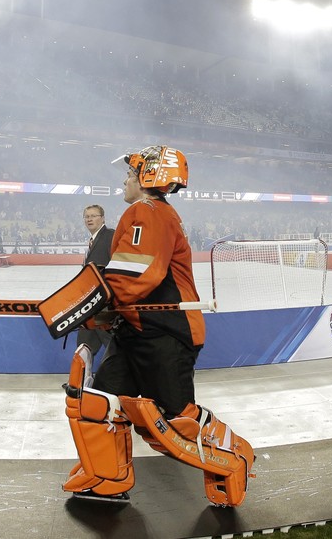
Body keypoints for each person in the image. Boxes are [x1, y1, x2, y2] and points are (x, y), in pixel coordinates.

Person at [61, 145, 254, 507]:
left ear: (147, 178)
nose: (124, 181)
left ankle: (234, 457)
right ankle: (108, 477)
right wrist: (103, 313)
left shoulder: (146, 211)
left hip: (165, 332)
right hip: (136, 331)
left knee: (175, 424)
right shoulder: (148, 213)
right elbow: (128, 285)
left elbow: (134, 276)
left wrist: (87, 304)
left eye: (130, 175)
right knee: (101, 404)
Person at [75, 204, 115, 368]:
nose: (89, 219)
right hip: (91, 306)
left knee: (111, 344)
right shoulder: (92, 241)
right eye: (87, 216)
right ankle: (80, 382)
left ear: (103, 218)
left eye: (93, 216)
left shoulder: (111, 236)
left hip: (105, 304)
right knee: (84, 345)